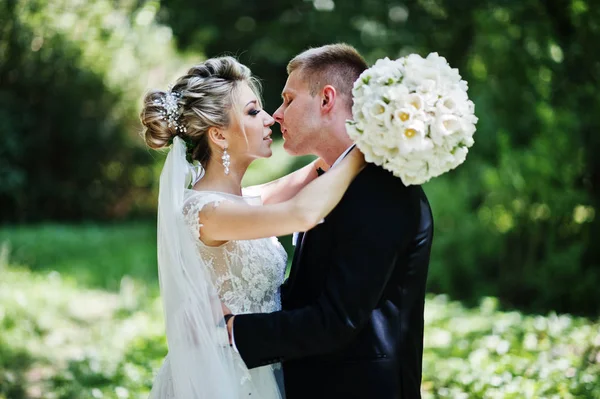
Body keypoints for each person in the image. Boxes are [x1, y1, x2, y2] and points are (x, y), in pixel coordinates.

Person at [140, 55, 365, 398]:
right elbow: (302, 213)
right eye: (252, 112)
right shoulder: (207, 212)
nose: (270, 119)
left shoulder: (239, 201)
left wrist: (370, 131)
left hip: (258, 366)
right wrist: (362, 152)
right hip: (221, 379)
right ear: (219, 135)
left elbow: (317, 171)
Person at [224, 43, 435, 399]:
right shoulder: (331, 182)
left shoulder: (381, 188)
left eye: (288, 100)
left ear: (326, 100)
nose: (276, 114)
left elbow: (338, 320)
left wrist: (236, 331)